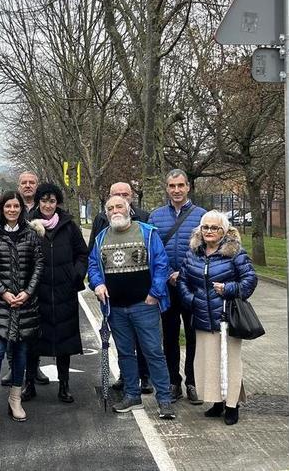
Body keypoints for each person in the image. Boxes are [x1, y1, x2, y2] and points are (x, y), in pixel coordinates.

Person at [88, 195, 175, 419]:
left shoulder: (148, 232)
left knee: (154, 352)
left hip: (144, 305)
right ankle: (132, 394)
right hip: (115, 308)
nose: (115, 210)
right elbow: (93, 267)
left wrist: (155, 294)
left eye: (119, 206)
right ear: (105, 213)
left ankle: (164, 399)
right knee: (126, 354)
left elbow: (161, 263)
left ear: (129, 209)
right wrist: (97, 284)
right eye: (110, 208)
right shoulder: (100, 238)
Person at [177, 210, 257, 425]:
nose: (209, 232)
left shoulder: (235, 252)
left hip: (226, 317)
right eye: (205, 227)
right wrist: (192, 300)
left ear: (224, 231)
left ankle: (232, 405)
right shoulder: (193, 253)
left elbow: (250, 279)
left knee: (230, 362)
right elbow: (183, 281)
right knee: (207, 362)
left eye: (214, 228)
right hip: (202, 316)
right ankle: (216, 402)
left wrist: (229, 288)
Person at [0, 191, 45, 428]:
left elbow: (39, 265)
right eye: (8, 206)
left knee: (21, 353)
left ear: (21, 208)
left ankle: (15, 399)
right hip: (0, 304)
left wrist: (27, 292)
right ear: (2, 208)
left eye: (16, 206)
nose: (12, 210)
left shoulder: (31, 233)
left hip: (26, 304)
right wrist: (4, 293)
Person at [25, 182, 88, 403]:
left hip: (64, 292)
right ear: (38, 201)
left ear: (57, 202)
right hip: (36, 294)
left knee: (64, 343)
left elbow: (82, 254)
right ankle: (29, 383)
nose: (48, 205)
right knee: (32, 342)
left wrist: (76, 274)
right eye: (44, 200)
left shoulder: (69, 226)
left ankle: (64, 385)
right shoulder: (29, 226)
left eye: (52, 201)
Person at [88, 182, 151, 395]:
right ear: (109, 198)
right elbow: (94, 254)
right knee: (123, 342)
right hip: (112, 294)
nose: (120, 199)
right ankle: (126, 377)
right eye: (116, 195)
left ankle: (145, 377)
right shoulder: (101, 219)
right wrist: (96, 284)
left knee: (144, 341)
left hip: (141, 295)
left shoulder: (143, 217)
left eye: (125, 195)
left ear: (130, 198)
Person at [149, 169, 206, 404]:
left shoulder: (202, 216)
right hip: (167, 286)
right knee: (170, 336)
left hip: (192, 285)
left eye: (180, 185)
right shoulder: (156, 216)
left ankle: (193, 382)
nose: (176, 190)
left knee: (194, 336)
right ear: (167, 188)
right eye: (172, 186)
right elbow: (152, 251)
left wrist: (184, 273)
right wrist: (166, 276)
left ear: (188, 187)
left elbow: (206, 252)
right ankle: (174, 381)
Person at [2, 170, 49, 386]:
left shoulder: (46, 208)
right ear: (18, 185)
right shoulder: (13, 207)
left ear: (37, 184)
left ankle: (34, 367)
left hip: (38, 279)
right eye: (24, 182)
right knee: (12, 326)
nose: (28, 185)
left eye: (32, 182)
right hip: (13, 280)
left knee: (33, 327)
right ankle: (13, 368)